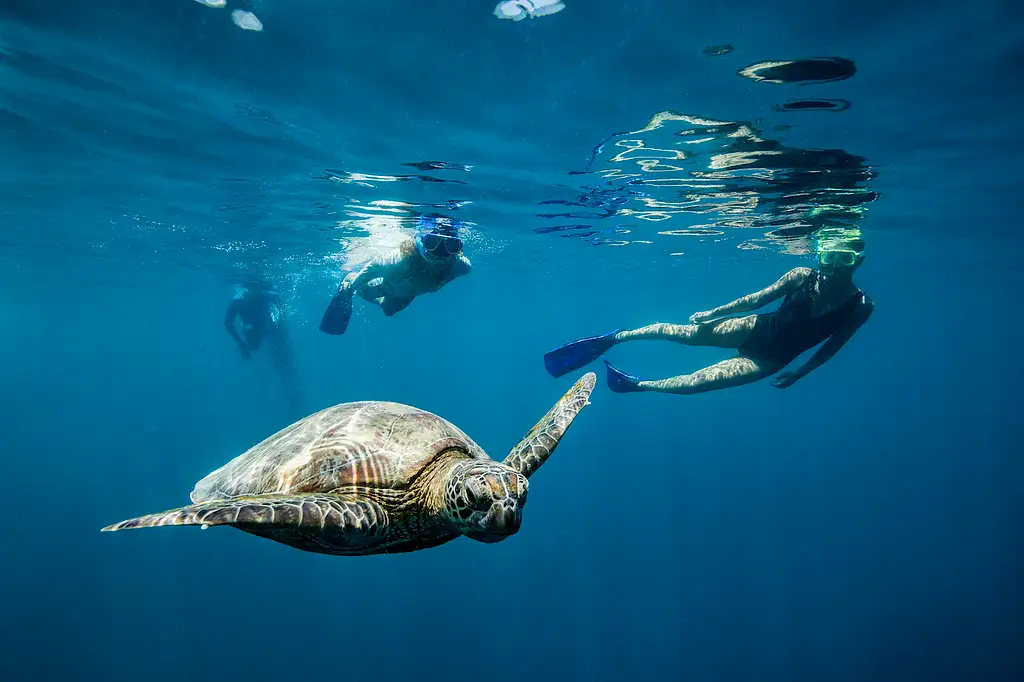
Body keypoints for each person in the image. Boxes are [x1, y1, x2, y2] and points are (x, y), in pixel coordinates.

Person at [543, 235, 874, 395]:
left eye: (842, 259)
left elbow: (834, 345)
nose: (831, 266)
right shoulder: (803, 276)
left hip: (770, 360)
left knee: (696, 385)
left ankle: (637, 384)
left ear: (857, 261)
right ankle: (613, 338)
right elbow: (756, 299)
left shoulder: (860, 306)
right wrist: (715, 312)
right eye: (827, 256)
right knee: (679, 333)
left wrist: (801, 373)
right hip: (754, 328)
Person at [319, 220, 471, 335]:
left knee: (388, 310)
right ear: (421, 242)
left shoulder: (459, 266)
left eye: (451, 246)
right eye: (432, 243)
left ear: (457, 249)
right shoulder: (398, 260)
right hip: (386, 286)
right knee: (364, 291)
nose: (440, 252)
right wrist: (351, 288)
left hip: (409, 291)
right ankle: (349, 279)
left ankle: (361, 290)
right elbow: (371, 269)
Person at [224, 278, 305, 414]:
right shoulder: (238, 301)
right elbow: (227, 322)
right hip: (254, 328)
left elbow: (282, 316)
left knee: (284, 363)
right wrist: (240, 343)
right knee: (255, 345)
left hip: (272, 329)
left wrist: (283, 334)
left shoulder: (269, 296)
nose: (254, 290)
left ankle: (292, 394)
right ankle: (285, 392)